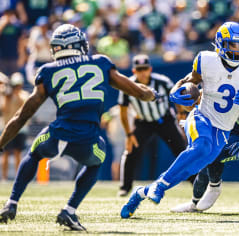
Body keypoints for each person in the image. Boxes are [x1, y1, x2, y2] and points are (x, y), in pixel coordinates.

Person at [0, 24, 159, 230]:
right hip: (88, 140)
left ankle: (11, 203)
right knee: (97, 161)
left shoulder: (48, 71)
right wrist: (154, 94)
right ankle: (70, 210)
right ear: (80, 44)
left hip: (57, 135)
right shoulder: (100, 63)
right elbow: (138, 92)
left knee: (34, 153)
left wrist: (1, 143)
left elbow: (22, 116)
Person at [120, 21, 239, 218]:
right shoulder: (207, 60)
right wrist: (176, 91)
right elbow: (189, 81)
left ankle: (143, 192)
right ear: (221, 44)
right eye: (232, 44)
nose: (237, 50)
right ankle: (161, 187)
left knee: (195, 165)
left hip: (223, 130)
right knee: (201, 147)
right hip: (201, 117)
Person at [171, 105, 239, 213]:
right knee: (206, 160)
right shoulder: (212, 91)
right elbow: (194, 102)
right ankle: (195, 203)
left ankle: (214, 186)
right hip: (227, 134)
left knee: (212, 153)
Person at [118, 54, 187, 196]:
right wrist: (129, 134)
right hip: (143, 122)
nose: (142, 72)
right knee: (131, 152)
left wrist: (180, 113)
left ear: (150, 69)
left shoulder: (162, 81)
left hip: (164, 120)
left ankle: (196, 182)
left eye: (145, 69)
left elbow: (175, 97)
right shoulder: (128, 86)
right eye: (139, 69)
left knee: (182, 150)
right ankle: (125, 187)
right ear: (134, 71)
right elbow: (123, 112)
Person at [1, 73, 29, 181]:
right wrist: (7, 98)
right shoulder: (7, 96)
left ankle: (18, 177)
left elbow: (24, 107)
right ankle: (4, 178)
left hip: (21, 129)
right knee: (6, 153)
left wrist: (15, 95)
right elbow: (5, 111)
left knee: (18, 153)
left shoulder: (24, 95)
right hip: (8, 128)